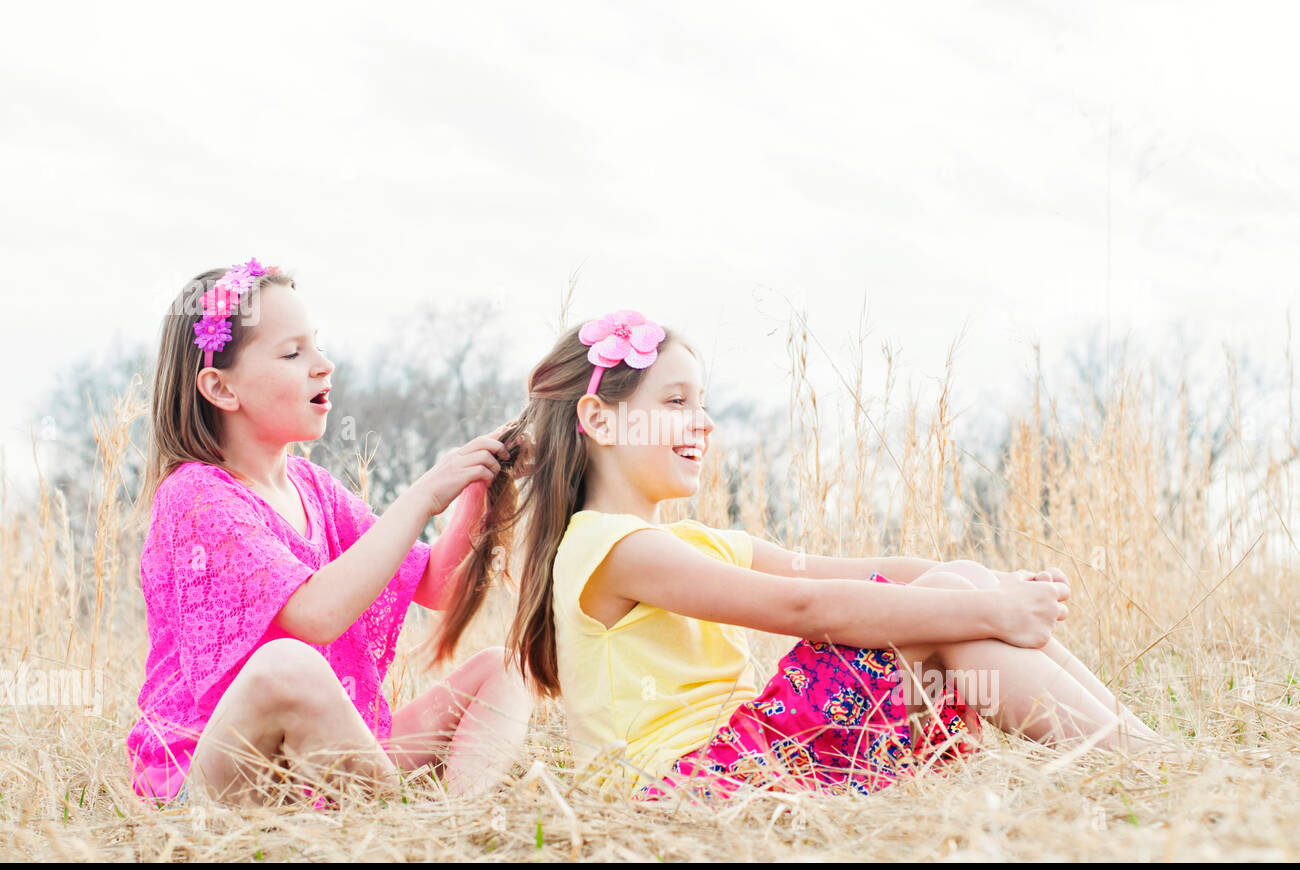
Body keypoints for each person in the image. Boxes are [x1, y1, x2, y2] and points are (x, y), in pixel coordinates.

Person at [435, 309, 1174, 801]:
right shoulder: (607, 546)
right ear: (598, 418)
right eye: (675, 403)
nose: (704, 422)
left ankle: (1146, 753)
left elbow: (833, 572)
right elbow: (802, 608)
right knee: (959, 599)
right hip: (691, 792)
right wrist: (988, 607)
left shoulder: (691, 541)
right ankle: (1148, 768)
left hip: (751, 761)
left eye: (702, 402)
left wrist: (990, 586)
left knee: (955, 583)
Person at [126, 258, 533, 808]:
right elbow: (315, 616)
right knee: (285, 667)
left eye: (316, 345)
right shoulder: (197, 496)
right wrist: (421, 496)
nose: (324, 365)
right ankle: (403, 827)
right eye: (293, 353)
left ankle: (465, 817)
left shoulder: (312, 487)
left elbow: (437, 586)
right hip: (216, 771)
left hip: (318, 767)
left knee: (502, 668)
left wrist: (474, 493)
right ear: (220, 388)